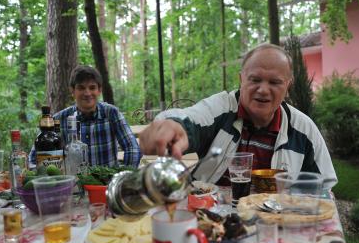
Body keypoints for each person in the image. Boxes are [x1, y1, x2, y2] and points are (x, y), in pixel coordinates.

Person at [139, 44, 337, 189]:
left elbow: (323, 187)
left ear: (288, 86)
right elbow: (192, 118)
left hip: (275, 226)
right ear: (241, 79)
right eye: (255, 79)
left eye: (275, 82)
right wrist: (173, 126)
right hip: (209, 219)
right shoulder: (221, 108)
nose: (263, 90)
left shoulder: (304, 130)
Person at [29, 65, 142, 168]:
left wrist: (122, 179)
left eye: (92, 88)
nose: (87, 93)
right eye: (81, 88)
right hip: (73, 186)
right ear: (72, 91)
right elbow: (34, 158)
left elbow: (132, 149)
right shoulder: (59, 119)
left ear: (99, 90)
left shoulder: (111, 113)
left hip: (106, 184)